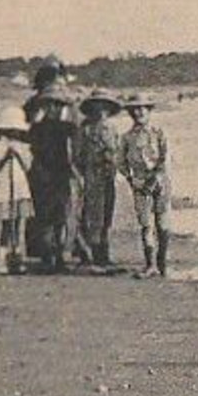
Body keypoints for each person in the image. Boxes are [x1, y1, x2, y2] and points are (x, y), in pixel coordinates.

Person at [24, 68, 82, 273]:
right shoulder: (35, 112)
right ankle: (50, 254)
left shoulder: (65, 115)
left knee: (58, 211)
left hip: (56, 166)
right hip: (45, 166)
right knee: (47, 211)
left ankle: (56, 254)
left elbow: (75, 140)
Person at [119, 93, 171, 278]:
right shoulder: (127, 137)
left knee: (163, 224)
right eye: (135, 109)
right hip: (140, 184)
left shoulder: (158, 132)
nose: (139, 112)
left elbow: (166, 157)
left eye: (143, 109)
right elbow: (121, 162)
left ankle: (162, 261)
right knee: (146, 224)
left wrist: (157, 175)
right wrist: (131, 179)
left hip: (160, 182)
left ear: (149, 111)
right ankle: (150, 264)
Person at [74, 89, 123, 267]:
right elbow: (77, 156)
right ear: (92, 108)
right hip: (92, 175)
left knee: (107, 214)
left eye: (105, 106)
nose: (101, 110)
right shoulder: (85, 129)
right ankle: (96, 254)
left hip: (109, 175)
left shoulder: (113, 128)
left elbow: (118, 152)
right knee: (95, 215)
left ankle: (104, 252)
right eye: (98, 106)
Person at [0, 106, 33, 275]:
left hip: (20, 189)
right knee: (6, 226)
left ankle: (17, 258)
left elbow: (28, 168)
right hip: (4, 189)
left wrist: (17, 154)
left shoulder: (24, 148)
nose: (14, 134)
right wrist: (5, 157)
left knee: (18, 225)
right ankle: (2, 260)